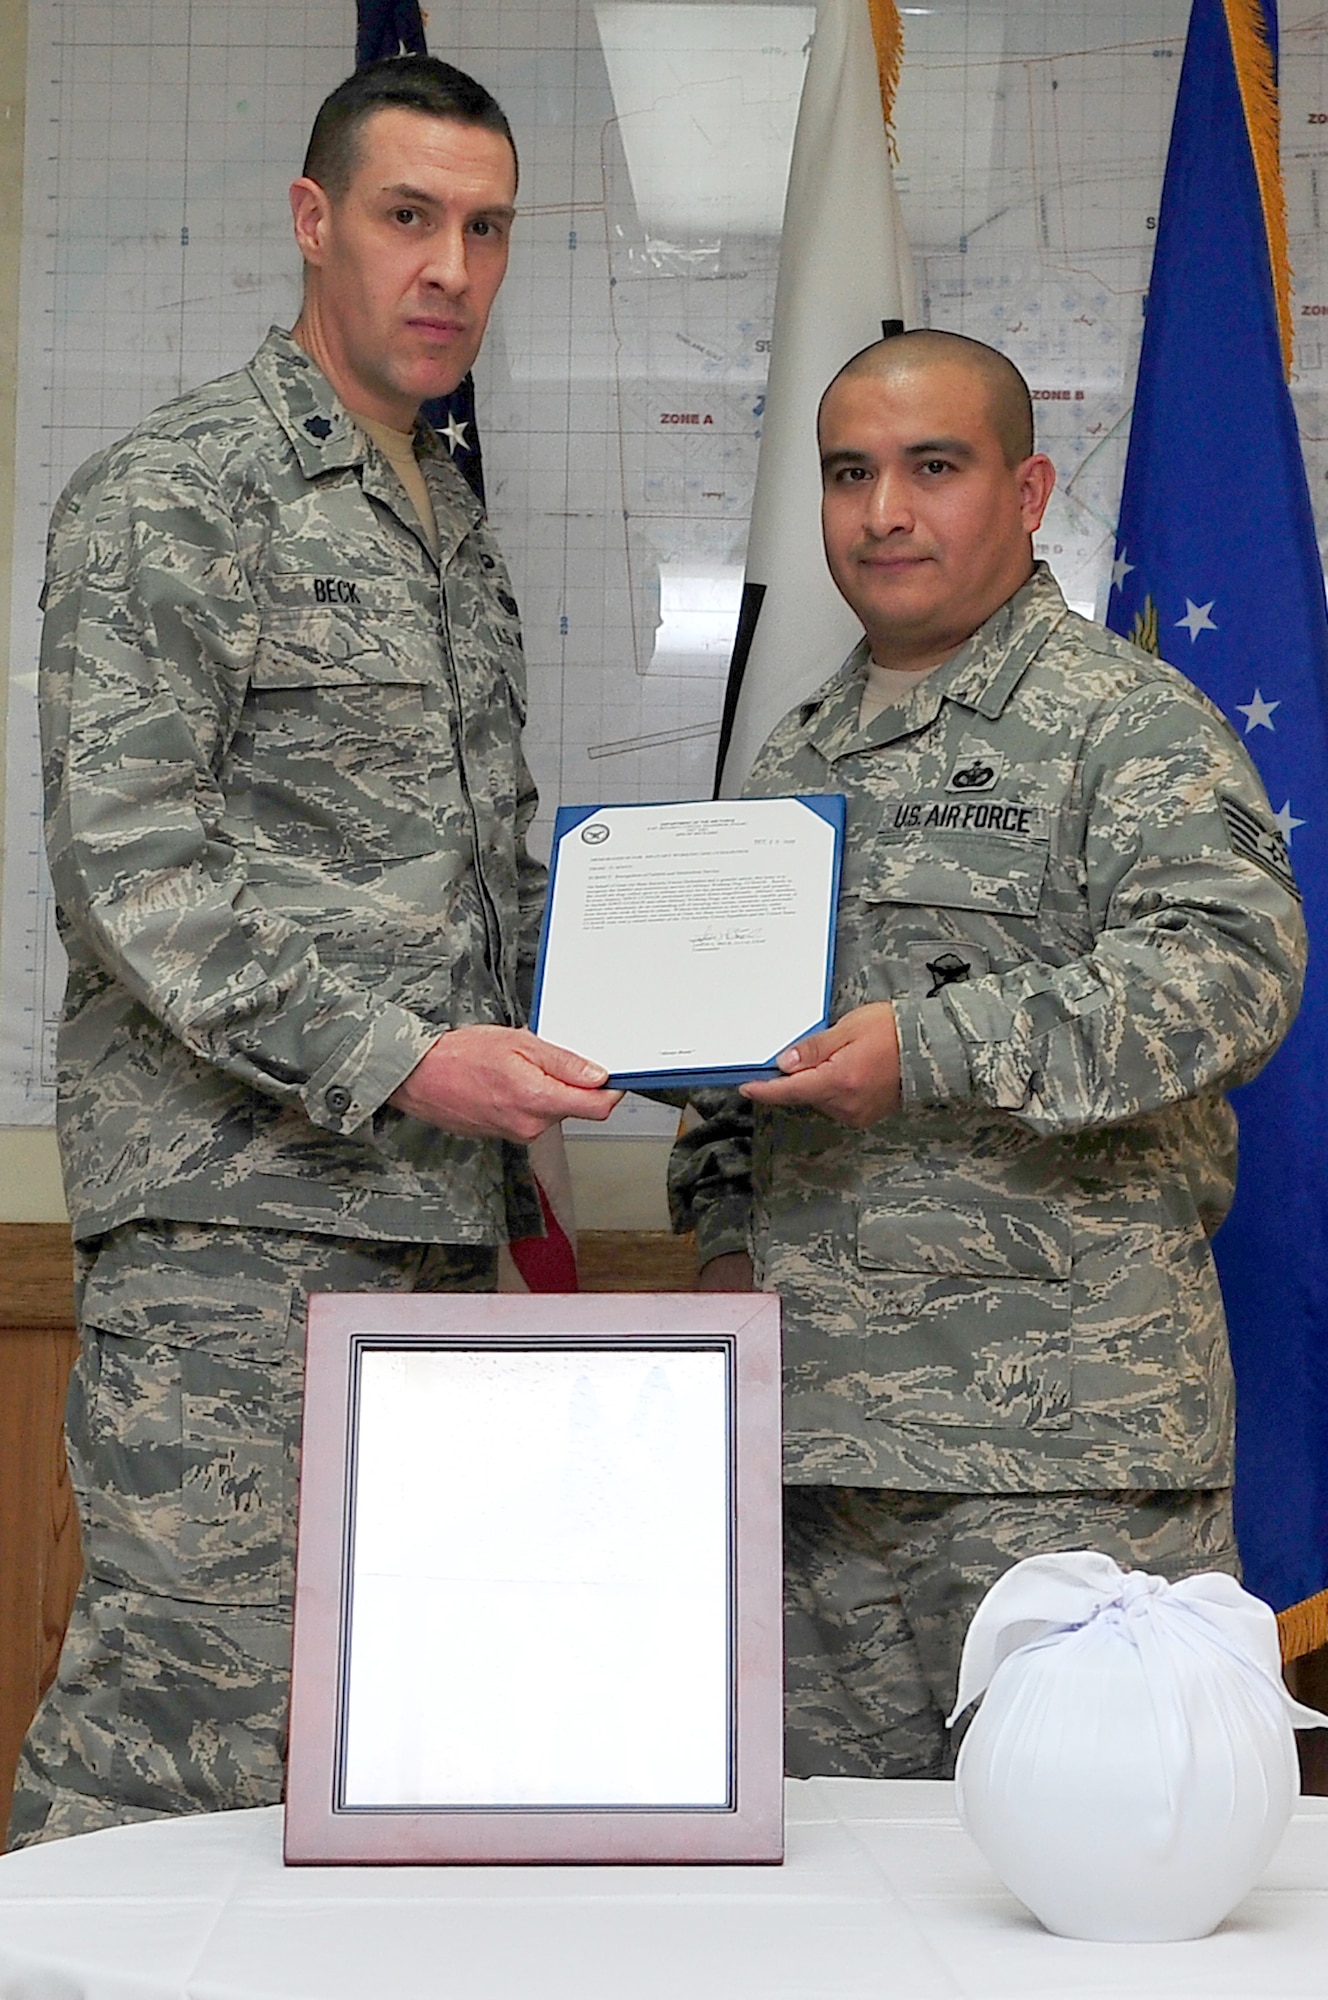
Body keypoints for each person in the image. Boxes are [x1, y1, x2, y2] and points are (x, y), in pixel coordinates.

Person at [11, 55, 620, 1847]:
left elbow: (476, 879)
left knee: (399, 1724)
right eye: (407, 217)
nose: (449, 269)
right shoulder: (181, 493)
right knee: (186, 1728)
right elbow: (132, 873)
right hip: (238, 1231)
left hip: (436, 1223)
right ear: (312, 221)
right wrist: (410, 1059)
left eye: (486, 230)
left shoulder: (446, 520)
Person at [670, 329, 1307, 1780]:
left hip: (1063, 1460)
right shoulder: (795, 756)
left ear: (1026, 493)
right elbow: (732, 1064)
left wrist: (933, 1048)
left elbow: (1233, 973)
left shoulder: (1127, 724)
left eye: (933, 467)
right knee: (840, 1883)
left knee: (1094, 1865)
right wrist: (719, 1241)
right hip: (819, 1456)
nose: (884, 511)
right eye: (849, 474)